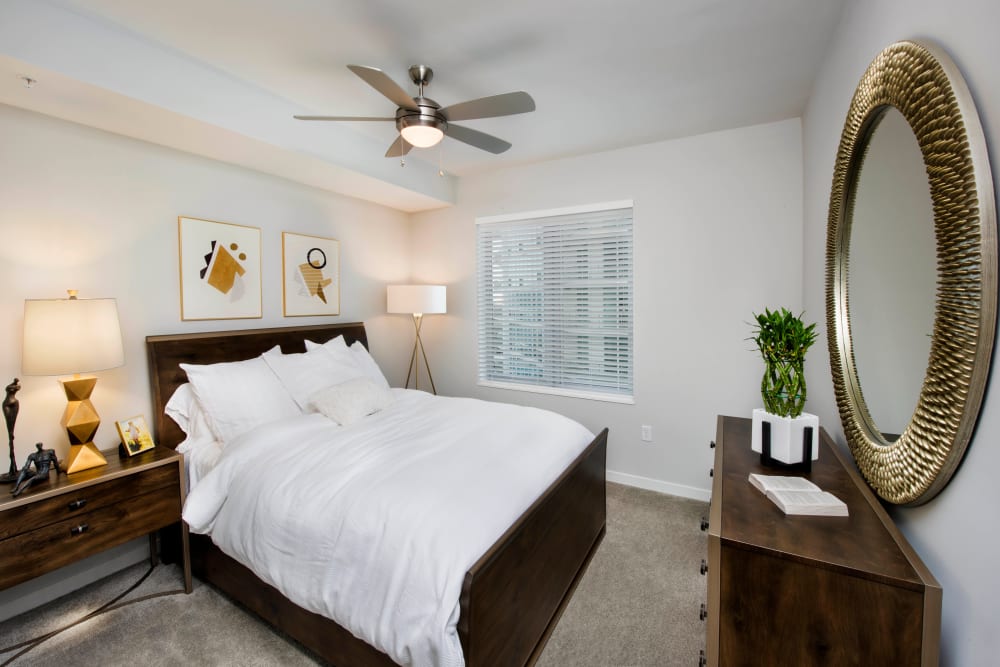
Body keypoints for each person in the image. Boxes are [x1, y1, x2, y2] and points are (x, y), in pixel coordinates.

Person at [1, 378, 20, 482]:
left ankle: (13, 467)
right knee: (10, 434)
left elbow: (17, 387)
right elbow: (12, 387)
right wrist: (15, 382)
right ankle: (12, 467)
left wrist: (15, 383)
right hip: (7, 404)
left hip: (14, 403)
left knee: (11, 435)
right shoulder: (10, 386)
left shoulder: (15, 387)